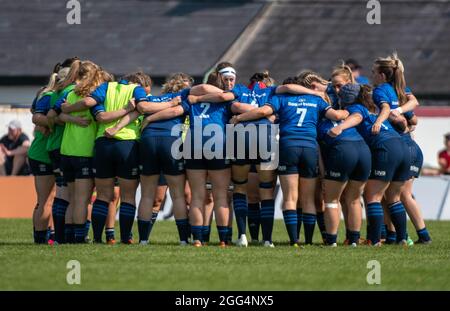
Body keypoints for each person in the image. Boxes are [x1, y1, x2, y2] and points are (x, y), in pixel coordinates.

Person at [230, 77, 349, 246]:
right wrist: (350, 112)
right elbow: (336, 115)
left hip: (287, 146)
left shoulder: (279, 97)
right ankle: (295, 240)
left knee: (286, 197)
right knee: (305, 198)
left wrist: (239, 118)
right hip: (309, 147)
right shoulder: (315, 99)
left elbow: (263, 111)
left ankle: (290, 240)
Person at [61, 71, 150, 244]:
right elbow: (142, 109)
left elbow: (97, 113)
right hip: (127, 144)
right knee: (128, 196)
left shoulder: (104, 87)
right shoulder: (137, 90)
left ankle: (96, 238)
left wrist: (68, 109)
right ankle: (125, 238)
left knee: (102, 195)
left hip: (103, 145)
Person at [336, 83, 411, 246]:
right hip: (402, 147)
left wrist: (340, 127)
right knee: (394, 197)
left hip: (386, 148)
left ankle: (375, 240)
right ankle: (402, 238)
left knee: (372, 197)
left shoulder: (357, 108)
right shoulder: (374, 110)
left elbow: (356, 118)